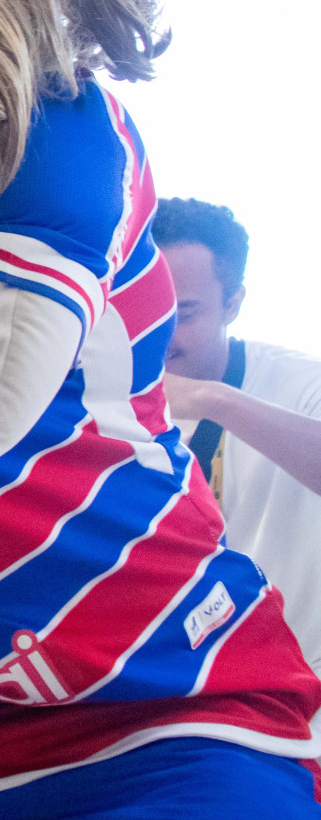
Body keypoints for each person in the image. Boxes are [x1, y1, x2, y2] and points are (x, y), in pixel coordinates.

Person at [157, 197, 321, 675]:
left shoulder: (301, 382)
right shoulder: (100, 395)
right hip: (187, 689)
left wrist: (213, 399)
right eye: (150, 309)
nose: (161, 333)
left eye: (185, 314)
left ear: (233, 303)